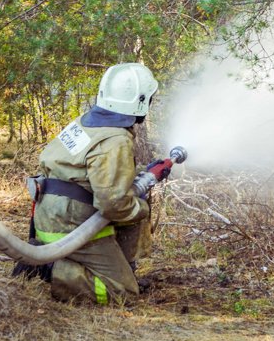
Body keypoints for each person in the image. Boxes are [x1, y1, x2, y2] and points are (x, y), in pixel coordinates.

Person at [14, 62, 170, 304]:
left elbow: (83, 172)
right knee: (121, 292)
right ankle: (51, 270)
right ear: (141, 101)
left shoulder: (85, 123)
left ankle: (110, 266)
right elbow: (113, 205)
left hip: (51, 216)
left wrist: (140, 173)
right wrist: (142, 207)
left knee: (131, 203)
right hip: (71, 227)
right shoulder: (115, 139)